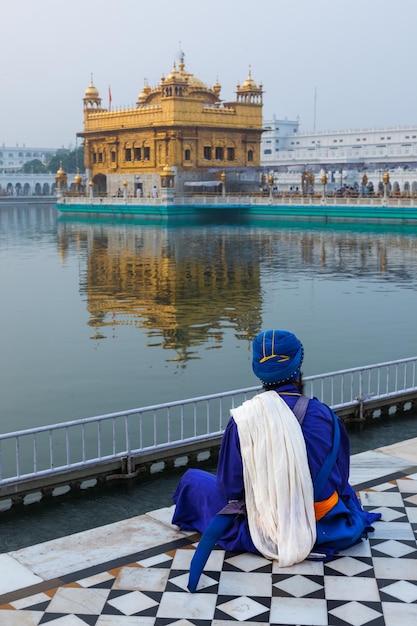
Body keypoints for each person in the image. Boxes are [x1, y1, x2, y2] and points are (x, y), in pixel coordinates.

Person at [172, 329, 380, 567]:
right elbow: (341, 479)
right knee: (345, 493)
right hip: (320, 518)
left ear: (256, 369)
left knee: (193, 481)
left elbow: (230, 487)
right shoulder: (326, 416)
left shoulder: (243, 419)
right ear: (298, 366)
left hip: (269, 523)